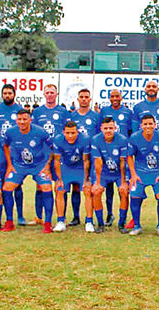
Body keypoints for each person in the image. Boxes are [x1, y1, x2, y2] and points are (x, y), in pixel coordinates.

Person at [0, 109, 53, 232]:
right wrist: (9, 165)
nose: (22, 122)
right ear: (16, 120)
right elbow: (5, 146)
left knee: (46, 187)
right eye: (20, 119)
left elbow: (52, 147)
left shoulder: (40, 132)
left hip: (38, 165)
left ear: (30, 120)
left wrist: (47, 166)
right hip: (19, 166)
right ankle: (9, 222)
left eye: (25, 119)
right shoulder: (10, 132)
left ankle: (48, 223)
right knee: (7, 187)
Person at [127, 114, 159, 236]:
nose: (148, 126)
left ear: (155, 125)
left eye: (150, 124)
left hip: (157, 173)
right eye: (145, 124)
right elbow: (129, 156)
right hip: (140, 173)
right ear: (141, 125)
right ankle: (136, 226)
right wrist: (133, 174)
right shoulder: (134, 137)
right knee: (134, 195)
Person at [32, 84, 69, 226]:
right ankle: (38, 216)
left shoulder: (63, 112)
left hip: (60, 154)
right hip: (42, 154)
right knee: (40, 185)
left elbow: (68, 131)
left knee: (60, 184)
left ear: (56, 94)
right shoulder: (37, 112)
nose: (49, 95)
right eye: (47, 92)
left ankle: (62, 216)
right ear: (44, 94)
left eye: (52, 92)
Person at [0, 84, 25, 225]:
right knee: (0, 184)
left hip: (16, 153)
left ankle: (20, 216)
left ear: (14, 94)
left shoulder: (19, 110)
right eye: (5, 93)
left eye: (10, 93)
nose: (7, 95)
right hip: (0, 153)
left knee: (17, 185)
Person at [97, 89, 133, 225]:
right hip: (107, 154)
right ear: (109, 98)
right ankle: (109, 214)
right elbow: (99, 131)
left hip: (122, 153)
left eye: (117, 96)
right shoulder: (104, 111)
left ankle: (121, 217)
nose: (115, 98)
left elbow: (131, 131)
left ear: (121, 97)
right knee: (108, 188)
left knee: (123, 187)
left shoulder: (127, 112)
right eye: (112, 96)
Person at [67, 89, 101, 227]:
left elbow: (99, 135)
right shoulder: (72, 116)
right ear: (78, 99)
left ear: (90, 99)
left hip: (91, 155)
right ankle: (76, 217)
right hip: (75, 156)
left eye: (86, 97)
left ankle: (91, 218)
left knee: (89, 186)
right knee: (76, 187)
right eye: (81, 97)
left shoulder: (95, 116)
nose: (84, 99)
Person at [91, 117, 130, 232]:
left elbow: (123, 162)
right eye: (106, 128)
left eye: (111, 128)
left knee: (124, 191)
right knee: (96, 191)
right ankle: (100, 224)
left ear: (115, 128)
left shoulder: (122, 140)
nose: (108, 131)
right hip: (103, 172)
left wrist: (123, 182)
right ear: (101, 128)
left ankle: (121, 223)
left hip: (118, 173)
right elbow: (98, 162)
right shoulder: (96, 140)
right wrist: (97, 182)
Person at [51, 121, 92, 232]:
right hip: (66, 167)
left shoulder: (85, 139)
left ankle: (89, 221)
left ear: (77, 132)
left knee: (87, 190)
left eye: (73, 133)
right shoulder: (58, 140)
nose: (70, 136)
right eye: (67, 133)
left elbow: (86, 160)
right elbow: (57, 160)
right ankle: (60, 221)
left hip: (80, 168)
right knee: (59, 189)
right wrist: (59, 179)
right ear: (63, 132)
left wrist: (86, 179)